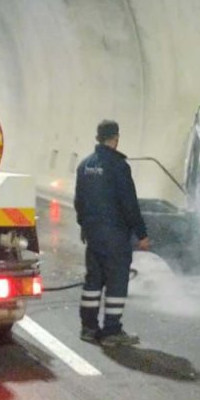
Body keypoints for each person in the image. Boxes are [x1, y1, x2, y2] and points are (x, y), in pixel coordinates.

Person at [74, 119, 151, 347]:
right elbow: (129, 204)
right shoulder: (119, 166)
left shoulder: (84, 166)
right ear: (116, 138)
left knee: (93, 282)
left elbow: (79, 201)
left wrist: (84, 226)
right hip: (115, 236)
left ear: (98, 137)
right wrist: (142, 234)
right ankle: (111, 331)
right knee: (117, 283)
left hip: (94, 235)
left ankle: (88, 328)